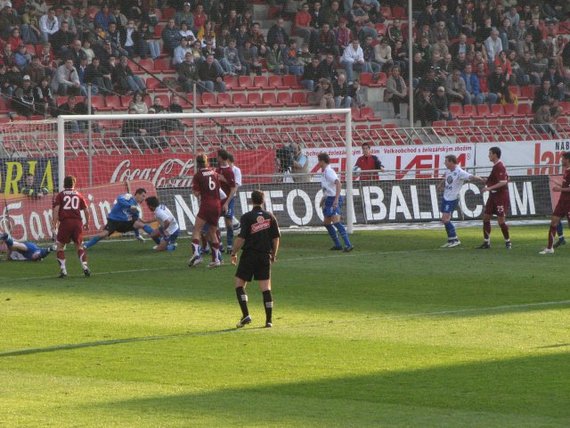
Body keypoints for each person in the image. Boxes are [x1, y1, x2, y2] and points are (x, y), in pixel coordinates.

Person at [231, 190, 281, 329]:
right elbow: (276, 238)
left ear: (251, 201)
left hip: (249, 255)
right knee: (266, 288)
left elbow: (241, 238)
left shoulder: (247, 217)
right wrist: (273, 254)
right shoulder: (270, 217)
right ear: (263, 200)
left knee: (239, 285)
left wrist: (233, 252)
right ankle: (269, 321)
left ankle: (246, 315)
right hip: (264, 255)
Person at [438, 155, 483, 248]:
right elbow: (445, 178)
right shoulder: (448, 171)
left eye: (446, 161)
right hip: (446, 197)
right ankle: (451, 240)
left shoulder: (459, 172)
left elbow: (471, 176)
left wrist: (481, 179)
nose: (444, 163)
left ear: (451, 162)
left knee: (445, 219)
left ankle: (455, 239)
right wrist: (440, 185)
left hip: (452, 199)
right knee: (445, 219)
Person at [83, 188, 150, 249]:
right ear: (137, 194)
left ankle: (157, 240)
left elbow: (135, 221)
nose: (143, 198)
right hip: (114, 221)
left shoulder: (137, 208)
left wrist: (137, 234)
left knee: (139, 223)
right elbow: (119, 199)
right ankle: (85, 245)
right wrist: (129, 206)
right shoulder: (128, 197)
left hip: (123, 224)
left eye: (144, 197)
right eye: (143, 196)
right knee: (103, 234)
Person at [188, 154, 223, 268]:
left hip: (206, 204)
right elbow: (218, 189)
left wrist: (195, 191)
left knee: (197, 229)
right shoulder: (215, 173)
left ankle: (196, 254)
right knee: (213, 232)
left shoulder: (198, 176)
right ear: (207, 162)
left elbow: (197, 193)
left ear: (197, 164)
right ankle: (216, 259)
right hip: (217, 204)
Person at [51, 175, 90, 278]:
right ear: (74, 184)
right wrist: (87, 223)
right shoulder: (79, 195)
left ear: (64, 184)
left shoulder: (61, 195)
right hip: (77, 223)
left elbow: (56, 210)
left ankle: (63, 270)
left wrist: (54, 225)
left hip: (65, 223)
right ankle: (85, 267)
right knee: (79, 246)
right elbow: (86, 210)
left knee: (60, 247)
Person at [318, 153, 353, 252]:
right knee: (326, 223)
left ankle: (348, 244)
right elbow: (328, 187)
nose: (318, 163)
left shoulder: (329, 171)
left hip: (333, 199)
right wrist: (323, 198)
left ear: (322, 161)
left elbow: (338, 184)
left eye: (319, 160)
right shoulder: (325, 172)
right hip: (328, 199)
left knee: (336, 221)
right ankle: (338, 245)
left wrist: (336, 199)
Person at [478, 147, 511, 250]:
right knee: (486, 218)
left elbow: (503, 182)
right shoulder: (497, 166)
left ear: (495, 155)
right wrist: (487, 181)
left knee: (501, 221)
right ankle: (486, 242)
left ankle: (508, 242)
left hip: (500, 196)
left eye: (490, 154)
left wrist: (488, 188)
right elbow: (506, 178)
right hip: (493, 196)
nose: (488, 155)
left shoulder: (500, 166)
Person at [540, 152, 570, 254]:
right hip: (562, 202)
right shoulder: (566, 171)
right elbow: (566, 185)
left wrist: (559, 188)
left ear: (567, 160)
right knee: (553, 222)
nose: (561, 160)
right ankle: (549, 248)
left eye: (562, 159)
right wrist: (557, 183)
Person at [216, 149, 237, 253]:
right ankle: (219, 244)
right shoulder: (217, 169)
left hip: (228, 200)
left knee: (228, 222)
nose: (216, 158)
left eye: (217, 156)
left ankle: (229, 244)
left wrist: (227, 203)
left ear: (221, 157)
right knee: (214, 222)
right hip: (218, 199)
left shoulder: (229, 171)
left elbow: (233, 188)